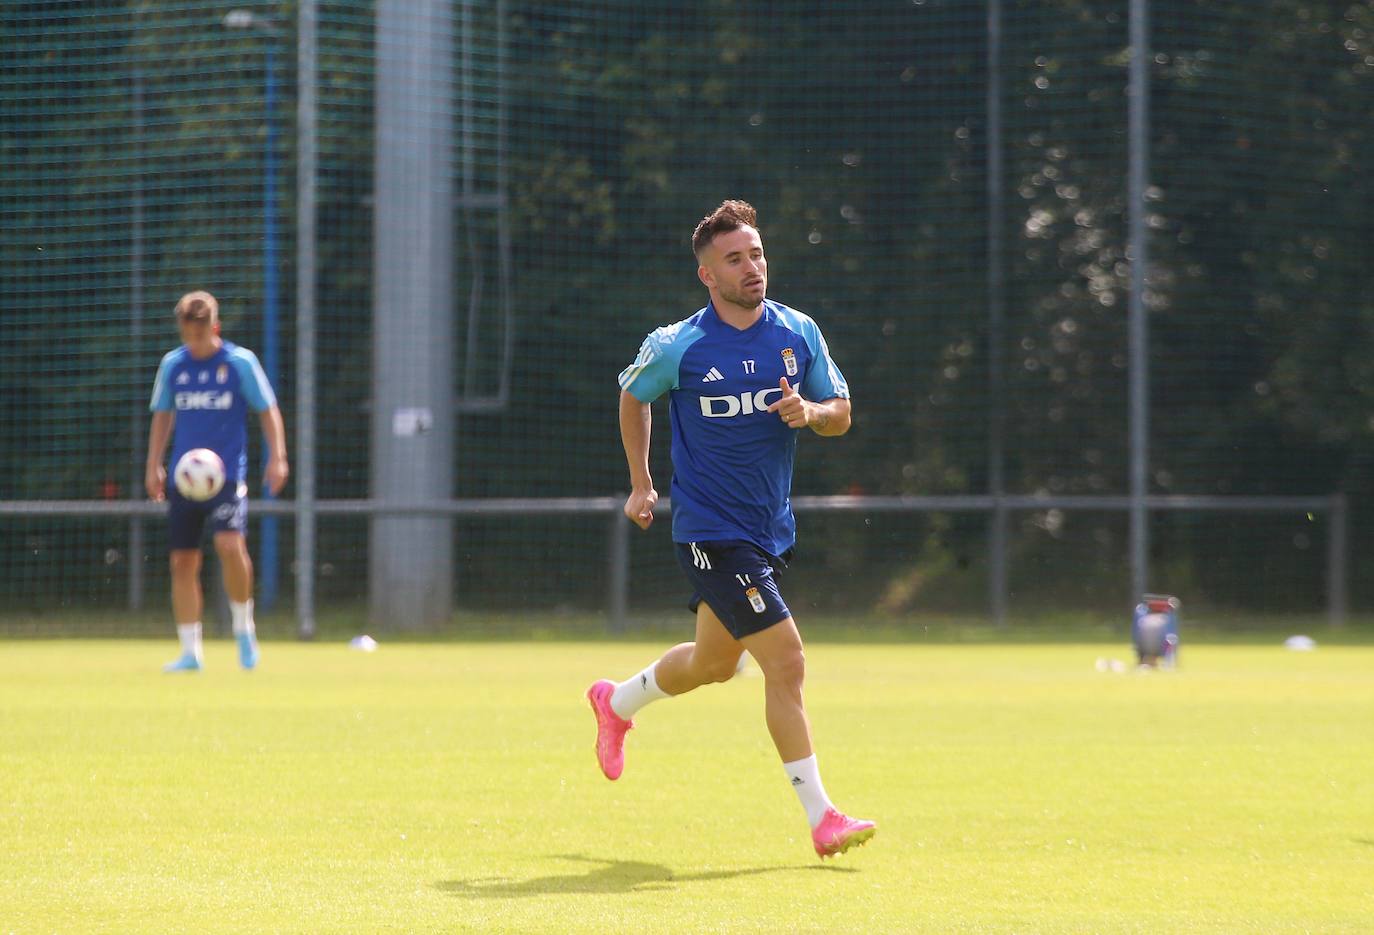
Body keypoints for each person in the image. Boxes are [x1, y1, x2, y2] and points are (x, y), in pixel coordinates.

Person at [587, 200, 876, 859]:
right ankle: (822, 815)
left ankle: (617, 701)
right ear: (707, 275)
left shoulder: (798, 332)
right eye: (735, 259)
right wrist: (640, 481)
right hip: (710, 531)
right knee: (788, 660)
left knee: (716, 664)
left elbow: (842, 413)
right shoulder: (679, 344)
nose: (752, 267)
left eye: (757, 254)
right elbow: (634, 395)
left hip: (767, 530)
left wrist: (812, 411)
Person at [145, 291, 289, 672]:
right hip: (183, 479)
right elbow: (162, 415)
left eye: (200, 335)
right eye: (186, 336)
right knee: (182, 562)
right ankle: (191, 652)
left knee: (228, 543)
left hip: (225, 477)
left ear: (215, 327)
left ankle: (244, 630)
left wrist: (278, 457)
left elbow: (268, 409)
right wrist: (153, 465)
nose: (193, 343)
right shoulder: (173, 365)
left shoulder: (240, 363)